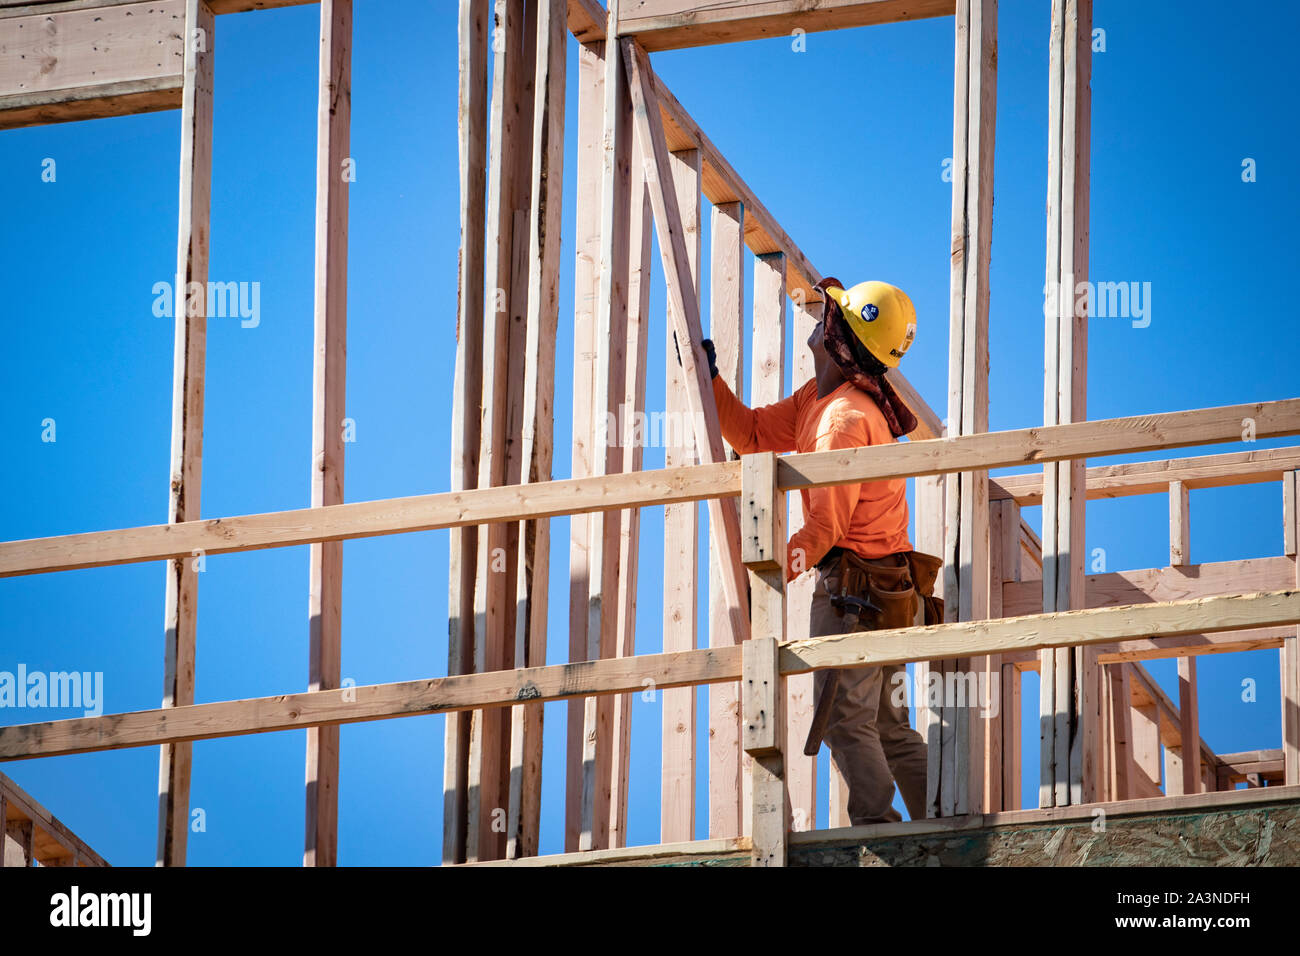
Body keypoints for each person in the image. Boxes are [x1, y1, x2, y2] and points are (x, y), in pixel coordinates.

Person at [703, 276, 930, 824]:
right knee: (889, 726)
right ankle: (946, 824)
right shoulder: (822, 401)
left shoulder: (841, 422)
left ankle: (881, 835)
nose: (817, 318)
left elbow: (825, 527)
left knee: (848, 723)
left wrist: (774, 569)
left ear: (838, 337)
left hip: (856, 596)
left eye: (828, 314)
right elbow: (755, 434)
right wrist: (710, 382)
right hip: (890, 590)